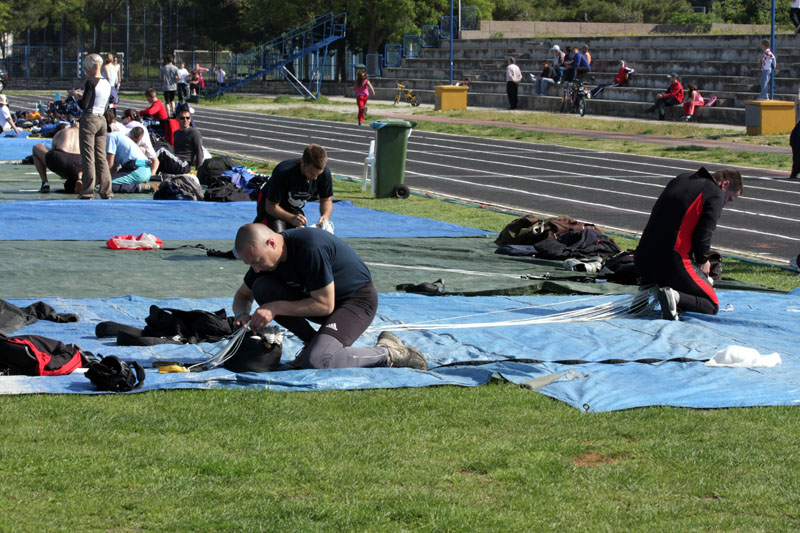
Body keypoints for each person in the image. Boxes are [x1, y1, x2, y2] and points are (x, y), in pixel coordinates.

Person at [231, 223, 427, 370]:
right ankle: (312, 343)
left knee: (319, 361)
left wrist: (274, 308)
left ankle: (390, 352)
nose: (256, 268)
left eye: (257, 261)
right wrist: (241, 314)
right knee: (262, 287)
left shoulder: (309, 247)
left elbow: (325, 305)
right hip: (321, 302)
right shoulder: (263, 260)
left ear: (272, 243)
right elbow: (242, 295)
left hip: (355, 302)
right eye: (251, 264)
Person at [634, 167, 743, 320]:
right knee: (711, 304)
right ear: (725, 184)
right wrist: (703, 260)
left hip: (643, 258)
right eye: (730, 198)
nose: (726, 203)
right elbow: (704, 234)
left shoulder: (682, 178)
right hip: (672, 261)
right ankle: (675, 296)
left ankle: (645, 291)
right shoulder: (715, 193)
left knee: (667, 273)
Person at [254, 144, 333, 232]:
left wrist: (325, 216)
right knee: (278, 237)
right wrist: (291, 218)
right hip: (270, 205)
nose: (315, 178)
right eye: (311, 173)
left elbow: (326, 200)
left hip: (293, 207)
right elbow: (270, 207)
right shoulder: (283, 172)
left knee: (302, 236)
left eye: (318, 174)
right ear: (302, 162)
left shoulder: (324, 173)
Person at [77, 53, 113, 199]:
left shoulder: (91, 82)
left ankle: (88, 191)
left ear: (92, 67)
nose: (85, 71)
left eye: (86, 69)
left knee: (88, 156)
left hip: (89, 119)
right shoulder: (107, 83)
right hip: (102, 119)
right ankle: (106, 190)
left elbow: (84, 105)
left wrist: (75, 96)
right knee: (101, 157)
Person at [32, 124, 81, 193]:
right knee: (86, 163)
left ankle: (45, 183)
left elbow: (53, 150)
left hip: (61, 159)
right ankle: (80, 177)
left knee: (37, 147)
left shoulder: (62, 132)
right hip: (80, 163)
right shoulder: (88, 134)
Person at [155, 107, 204, 174]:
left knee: (161, 150)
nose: (185, 120)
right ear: (177, 119)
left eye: (187, 118)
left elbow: (199, 152)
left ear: (190, 119)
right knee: (159, 150)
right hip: (176, 161)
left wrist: (199, 171)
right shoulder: (176, 133)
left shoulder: (194, 133)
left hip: (185, 164)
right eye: (182, 118)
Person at [106, 128, 153, 193]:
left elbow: (109, 164)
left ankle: (139, 187)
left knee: (105, 185)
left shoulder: (110, 137)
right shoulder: (118, 136)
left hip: (137, 170)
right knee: (106, 183)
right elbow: (113, 169)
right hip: (142, 170)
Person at [121, 109, 159, 177]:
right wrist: (152, 175)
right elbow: (156, 161)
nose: (122, 120)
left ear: (128, 118)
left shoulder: (128, 126)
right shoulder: (140, 127)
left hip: (135, 161)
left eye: (123, 117)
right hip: (143, 162)